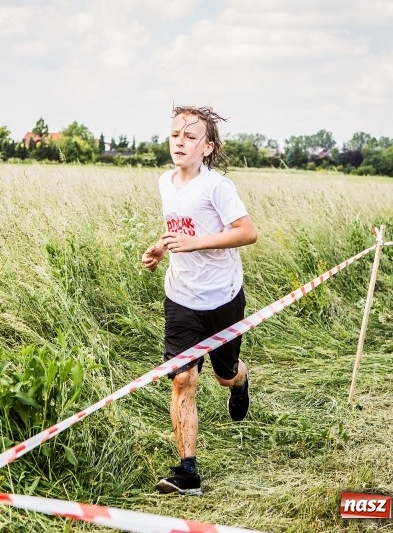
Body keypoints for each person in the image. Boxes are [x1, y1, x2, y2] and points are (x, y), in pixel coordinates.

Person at [141, 105, 258, 496]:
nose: (180, 142)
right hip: (181, 296)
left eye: (190, 137)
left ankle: (240, 380)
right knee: (183, 378)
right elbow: (178, 227)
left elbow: (248, 232)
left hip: (222, 296)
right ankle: (187, 472)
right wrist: (161, 248)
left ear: (206, 147)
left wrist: (196, 244)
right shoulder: (165, 182)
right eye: (175, 134)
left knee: (224, 375)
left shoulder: (217, 187)